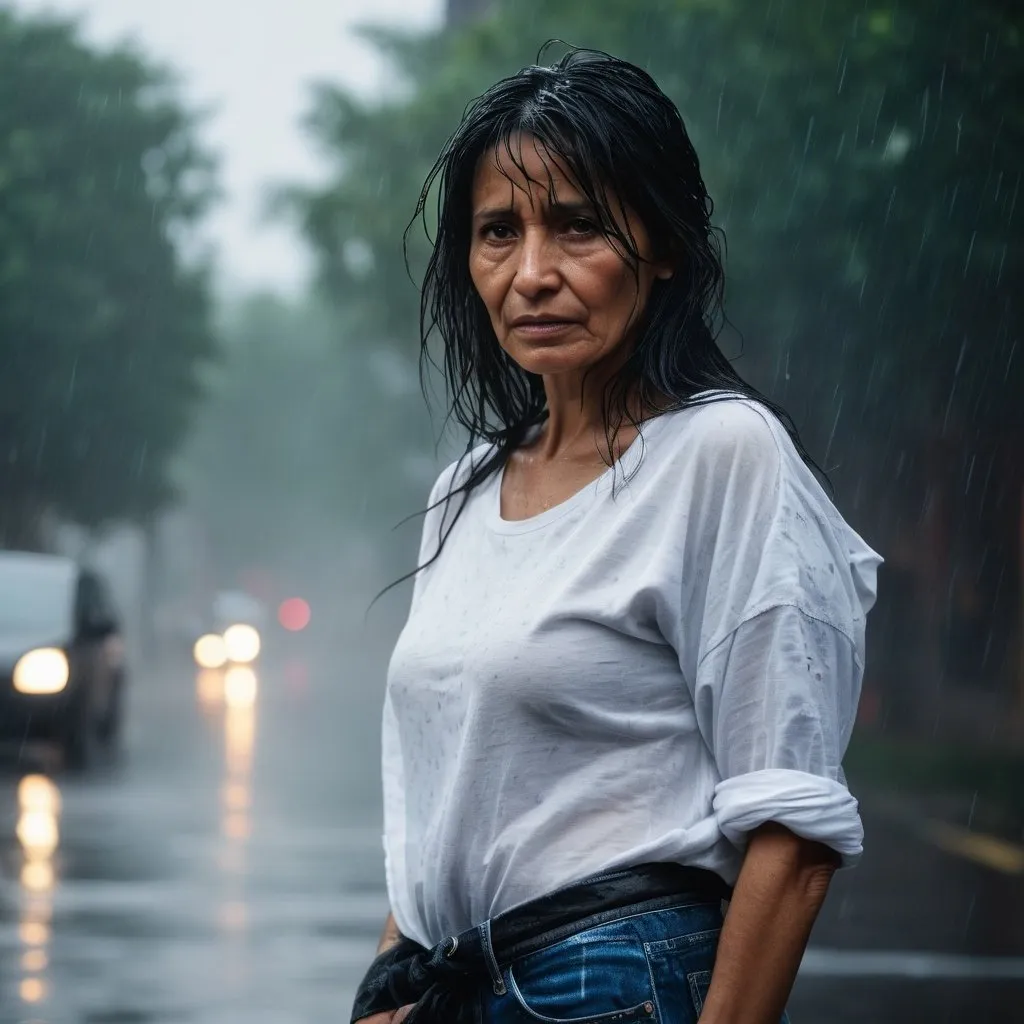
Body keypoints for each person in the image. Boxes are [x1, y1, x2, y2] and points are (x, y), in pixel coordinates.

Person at [353, 46, 881, 1024]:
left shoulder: (722, 454)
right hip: (452, 985)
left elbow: (792, 833)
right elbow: (448, 799)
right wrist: (390, 986)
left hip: (609, 985)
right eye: (498, 232)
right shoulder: (464, 489)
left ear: (664, 242)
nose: (532, 273)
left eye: (579, 225)